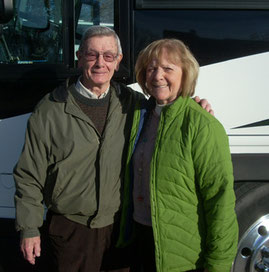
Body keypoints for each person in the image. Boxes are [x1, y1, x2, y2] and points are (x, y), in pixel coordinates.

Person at [13, 26, 213, 272]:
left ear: (118, 62)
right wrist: (29, 228)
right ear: (79, 57)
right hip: (71, 230)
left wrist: (194, 105)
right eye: (91, 54)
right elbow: (28, 175)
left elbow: (168, 106)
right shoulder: (51, 109)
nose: (100, 63)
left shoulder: (133, 104)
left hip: (120, 231)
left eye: (108, 56)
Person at [117, 39, 238, 272]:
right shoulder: (140, 115)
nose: (157, 76)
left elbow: (220, 199)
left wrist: (219, 264)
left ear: (186, 74)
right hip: (141, 239)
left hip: (182, 254)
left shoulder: (202, 125)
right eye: (151, 69)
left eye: (167, 68)